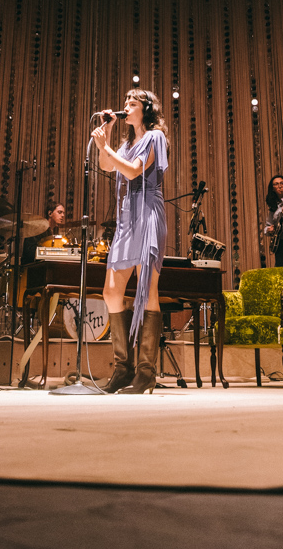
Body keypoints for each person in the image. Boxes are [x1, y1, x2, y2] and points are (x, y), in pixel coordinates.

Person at [92, 89, 169, 394]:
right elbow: (106, 166)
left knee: (146, 291)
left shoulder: (155, 137)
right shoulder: (126, 143)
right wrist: (107, 139)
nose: (125, 107)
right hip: (126, 218)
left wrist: (106, 148)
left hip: (148, 212)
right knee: (111, 291)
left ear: (146, 108)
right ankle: (123, 368)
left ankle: (146, 372)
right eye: (124, 102)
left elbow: (135, 172)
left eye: (132, 103)